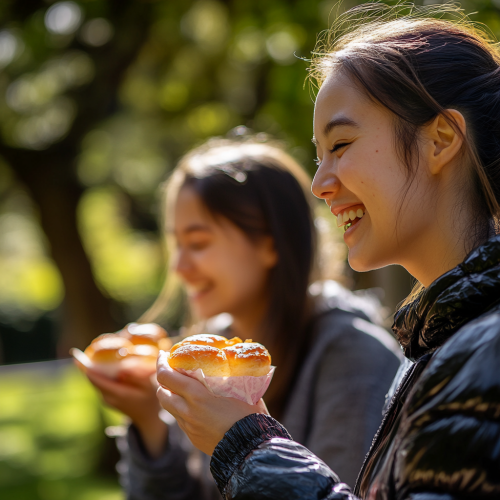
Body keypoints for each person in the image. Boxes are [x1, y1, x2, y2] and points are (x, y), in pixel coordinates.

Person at [155, 4, 500, 500]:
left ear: (441, 139)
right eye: (318, 156)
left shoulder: (483, 348)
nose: (319, 185)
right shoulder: (433, 346)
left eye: (341, 145)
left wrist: (249, 448)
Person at [84, 134, 401, 499]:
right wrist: (147, 421)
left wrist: (243, 440)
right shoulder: (211, 352)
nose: (180, 268)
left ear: (270, 242)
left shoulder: (354, 357)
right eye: (177, 245)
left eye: (198, 243)